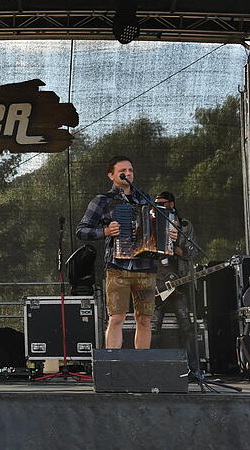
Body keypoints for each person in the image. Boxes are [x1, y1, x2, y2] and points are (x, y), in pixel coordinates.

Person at [76, 156, 158, 349]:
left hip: (146, 267)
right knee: (116, 318)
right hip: (117, 267)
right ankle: (113, 365)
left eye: (130, 170)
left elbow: (158, 229)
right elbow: (81, 230)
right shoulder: (103, 201)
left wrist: (169, 234)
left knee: (145, 319)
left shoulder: (146, 199)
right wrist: (104, 231)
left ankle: (142, 366)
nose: (128, 173)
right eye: (123, 171)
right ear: (111, 175)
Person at [150, 191, 199, 371]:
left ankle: (192, 369)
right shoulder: (150, 225)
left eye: (162, 203)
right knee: (153, 327)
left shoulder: (184, 225)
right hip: (156, 283)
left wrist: (177, 243)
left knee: (186, 325)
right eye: (156, 204)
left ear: (171, 204)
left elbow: (192, 252)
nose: (159, 206)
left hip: (179, 281)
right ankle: (152, 368)